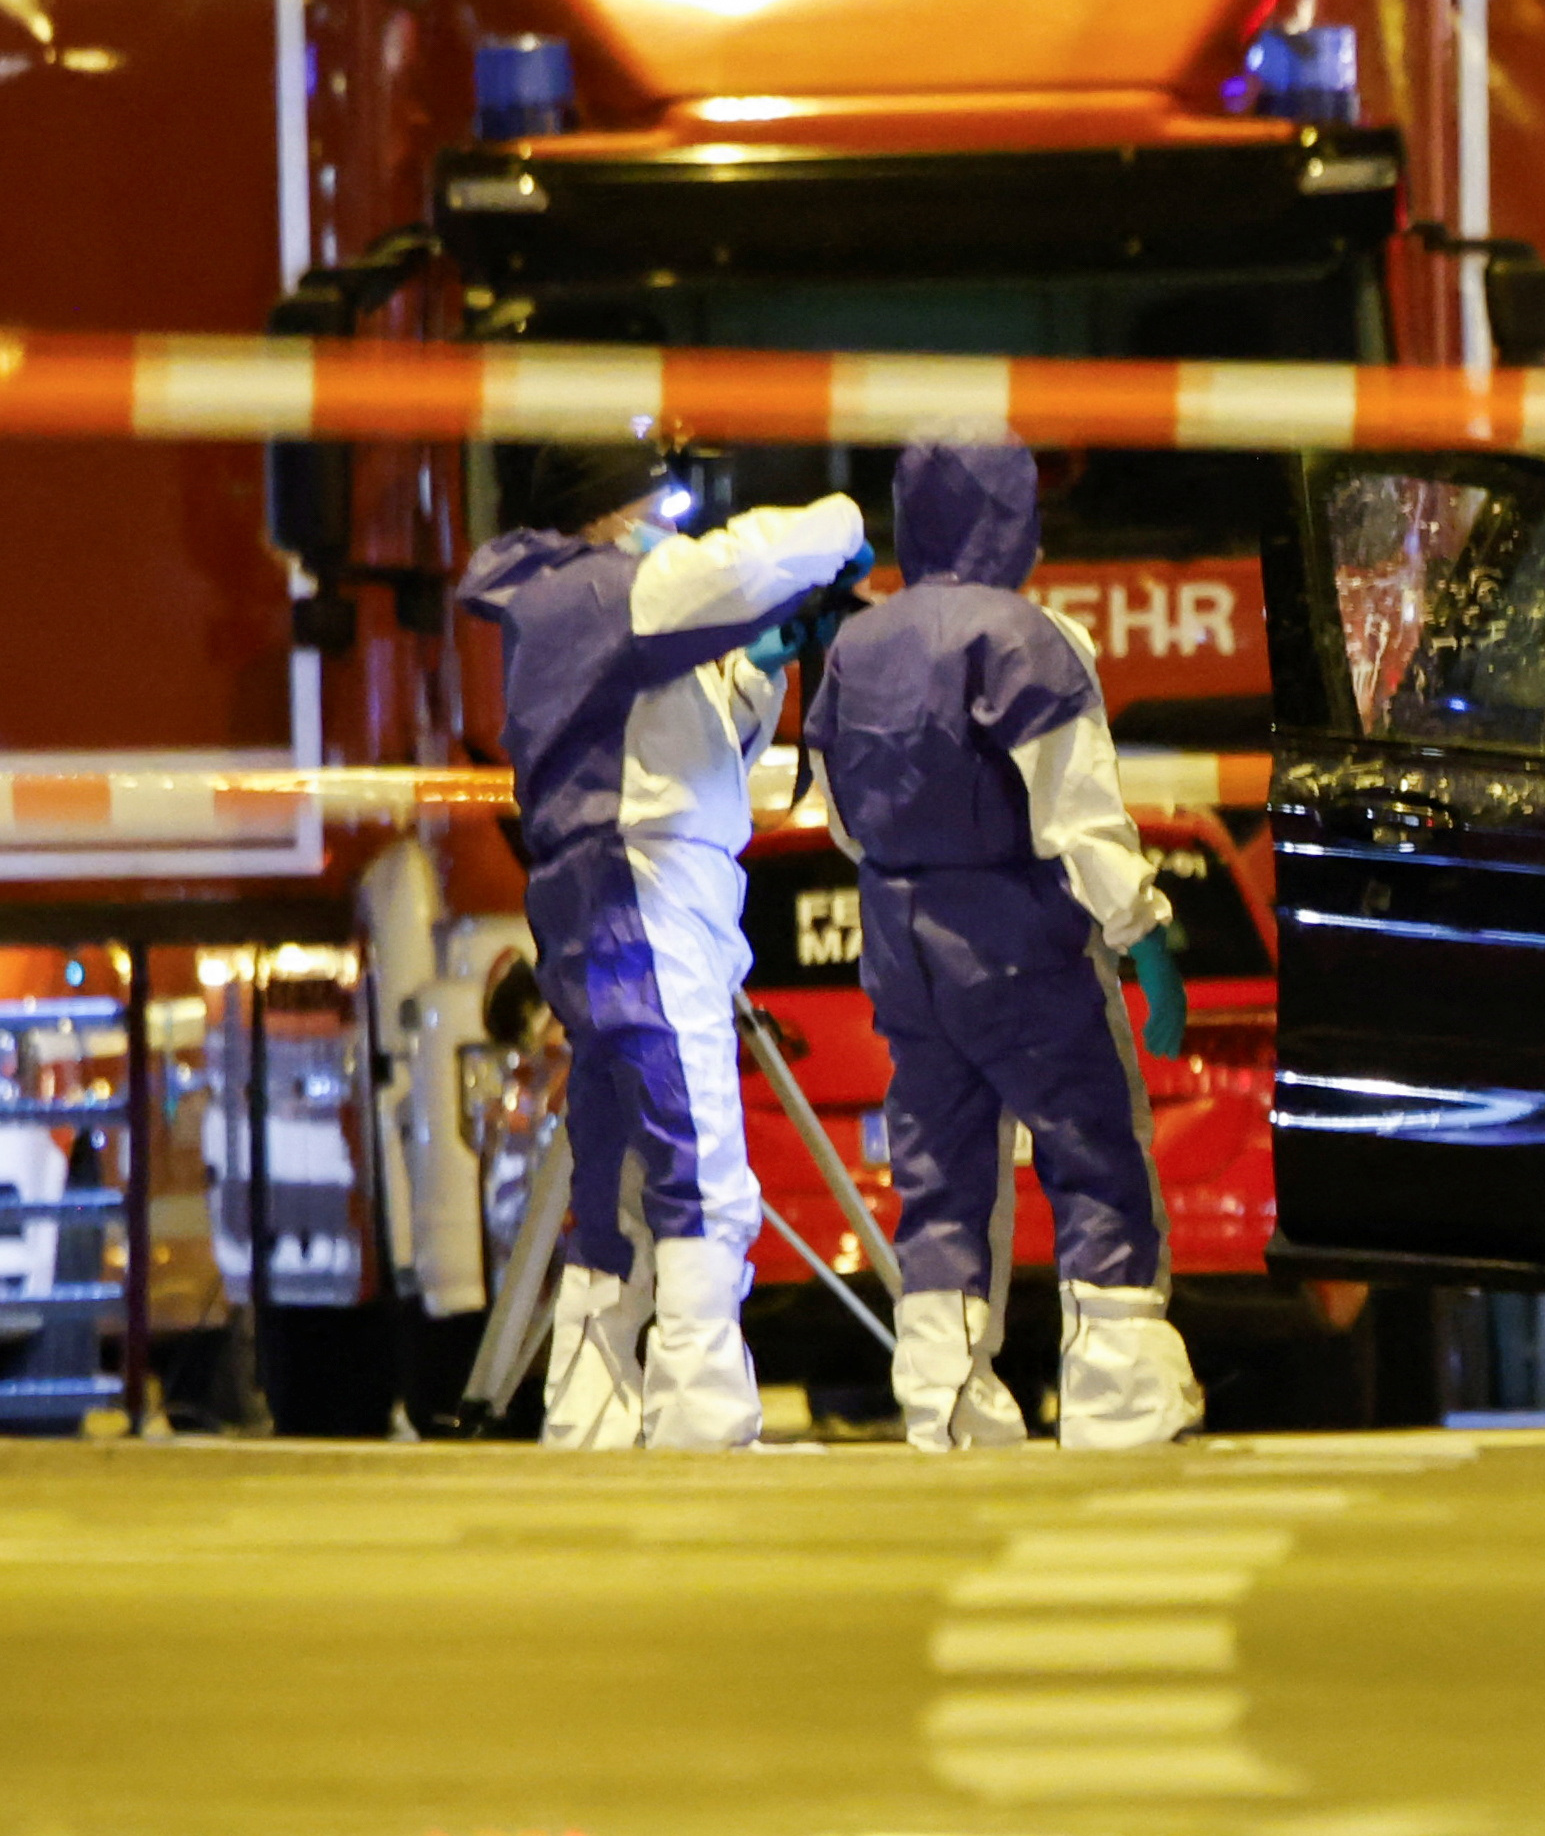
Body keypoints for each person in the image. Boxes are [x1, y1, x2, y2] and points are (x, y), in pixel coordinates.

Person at [456, 434, 871, 1453]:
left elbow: (687, 737)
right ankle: (701, 1412)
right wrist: (843, 528)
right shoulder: (608, 593)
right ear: (606, 509)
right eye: (658, 501)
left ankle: (590, 1410)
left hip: (620, 887)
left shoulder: (584, 607)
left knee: (618, 1166)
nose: (670, 520)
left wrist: (758, 673)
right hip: (644, 891)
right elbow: (738, 564)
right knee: (699, 1159)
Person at [815, 435, 1201, 1452]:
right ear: (1011, 517)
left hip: (902, 943)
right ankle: (1118, 1392)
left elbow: (841, 815)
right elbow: (1081, 817)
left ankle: (942, 1396)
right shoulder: (1028, 637)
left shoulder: (857, 644)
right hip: (1021, 941)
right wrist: (1148, 941)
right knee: (1090, 1150)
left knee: (939, 1171)